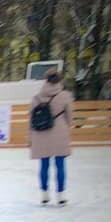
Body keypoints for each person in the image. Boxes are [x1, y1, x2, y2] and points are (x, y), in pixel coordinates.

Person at [28, 70, 73, 205]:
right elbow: (70, 117)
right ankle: (60, 195)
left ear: (46, 80)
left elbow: (31, 118)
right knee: (60, 165)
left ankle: (44, 194)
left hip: (41, 133)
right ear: (60, 80)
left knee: (44, 165)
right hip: (60, 132)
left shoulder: (37, 97)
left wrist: (30, 137)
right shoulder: (65, 96)